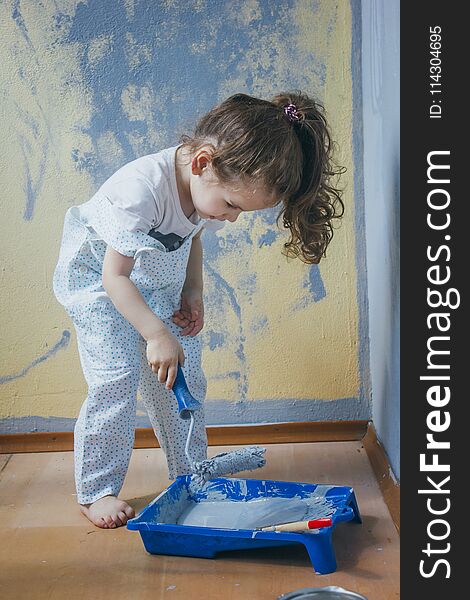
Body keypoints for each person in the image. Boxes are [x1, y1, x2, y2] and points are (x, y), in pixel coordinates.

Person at [53, 91, 345, 529]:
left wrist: (193, 291)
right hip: (101, 285)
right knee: (116, 380)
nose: (231, 218)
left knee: (181, 380)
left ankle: (189, 472)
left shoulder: (208, 184)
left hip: (154, 276)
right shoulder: (142, 191)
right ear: (202, 162)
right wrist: (155, 334)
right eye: (232, 206)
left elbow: (193, 236)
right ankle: (97, 490)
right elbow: (116, 277)